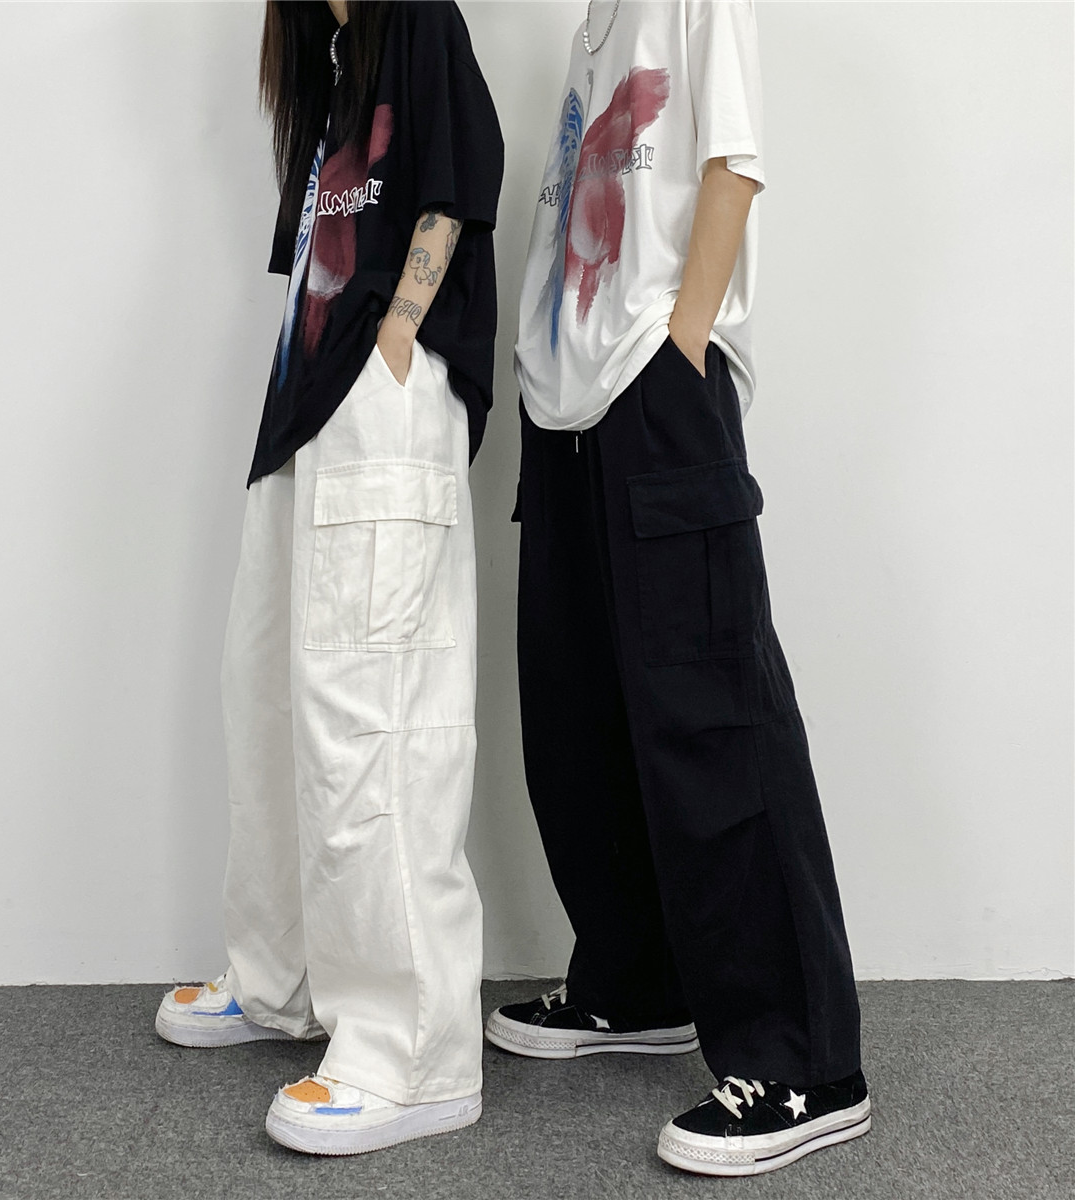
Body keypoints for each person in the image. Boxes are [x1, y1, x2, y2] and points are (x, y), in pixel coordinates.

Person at [485, 0, 870, 1177]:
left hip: (653, 390)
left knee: (715, 723)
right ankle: (637, 979)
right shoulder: (594, 24)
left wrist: (680, 344)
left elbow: (732, 167)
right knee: (580, 714)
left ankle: (806, 1064)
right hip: (566, 405)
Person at [155, 0, 502, 1157]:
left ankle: (415, 1053)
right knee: (266, 697)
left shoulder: (419, 22)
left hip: (379, 404)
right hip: (303, 412)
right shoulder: (333, 55)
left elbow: (459, 183)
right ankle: (281, 979)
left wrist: (398, 337)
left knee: (374, 715)